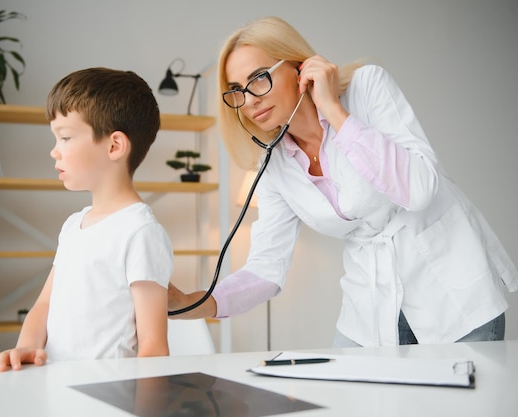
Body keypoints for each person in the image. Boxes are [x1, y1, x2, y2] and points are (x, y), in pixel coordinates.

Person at [169, 16, 518, 347]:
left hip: (452, 294)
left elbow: (420, 188)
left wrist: (335, 111)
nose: (249, 99)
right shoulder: (273, 165)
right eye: (236, 90)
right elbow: (265, 268)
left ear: (299, 67)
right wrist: (190, 303)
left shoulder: (367, 87)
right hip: (371, 304)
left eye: (259, 77)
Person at [0, 67, 174, 371]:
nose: (54, 152)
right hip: (59, 388)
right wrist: (26, 349)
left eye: (66, 137)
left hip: (109, 395)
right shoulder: (73, 226)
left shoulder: (141, 232)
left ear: (114, 146)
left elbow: (153, 347)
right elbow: (44, 304)